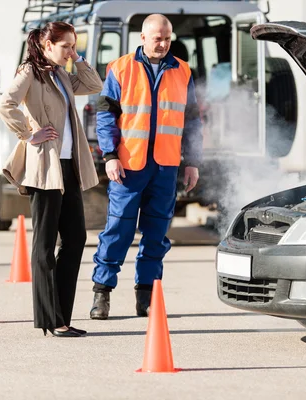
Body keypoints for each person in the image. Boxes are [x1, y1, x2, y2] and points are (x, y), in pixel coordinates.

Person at [89, 14, 203, 319]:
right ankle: (102, 293)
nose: (163, 44)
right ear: (143, 37)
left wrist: (191, 162)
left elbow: (192, 121)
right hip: (129, 166)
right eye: (157, 38)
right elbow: (105, 116)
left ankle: (146, 297)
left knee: (156, 235)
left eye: (167, 39)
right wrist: (110, 155)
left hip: (166, 167)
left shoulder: (182, 71)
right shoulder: (120, 68)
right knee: (118, 230)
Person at [0, 22, 103, 337]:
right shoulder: (31, 71)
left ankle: (62, 317)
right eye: (66, 46)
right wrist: (29, 134)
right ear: (46, 46)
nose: (71, 51)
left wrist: (78, 59)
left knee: (76, 238)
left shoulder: (62, 75)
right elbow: (6, 105)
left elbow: (94, 85)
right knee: (44, 245)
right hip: (44, 168)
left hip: (69, 167)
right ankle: (50, 320)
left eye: (73, 45)